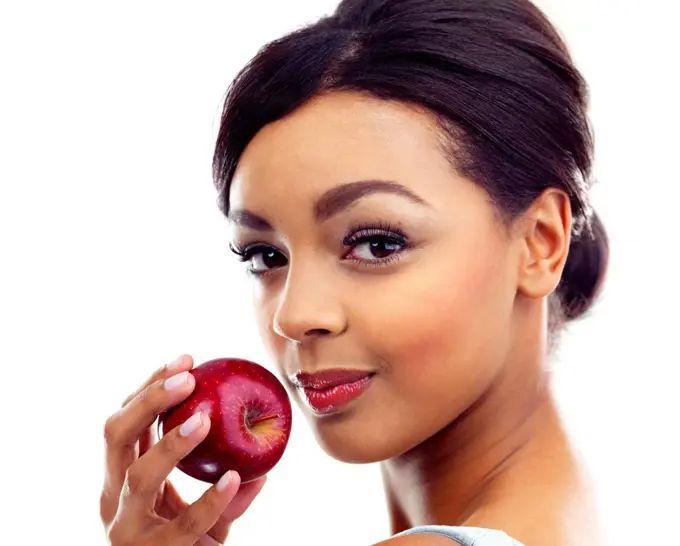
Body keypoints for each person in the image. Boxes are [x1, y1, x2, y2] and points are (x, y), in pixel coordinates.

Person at [99, 0, 609, 544]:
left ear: (540, 244)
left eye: (377, 243)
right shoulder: (577, 511)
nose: (293, 317)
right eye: (265, 256)